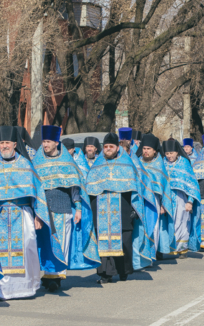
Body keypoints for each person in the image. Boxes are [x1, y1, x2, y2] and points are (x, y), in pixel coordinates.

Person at [0, 126, 53, 301]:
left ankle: (26, 289)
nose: (4, 146)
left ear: (15, 144)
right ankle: (3, 291)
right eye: (2, 143)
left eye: (7, 143)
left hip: (23, 214)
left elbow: (37, 192)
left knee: (27, 248)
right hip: (0, 214)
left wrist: (38, 215)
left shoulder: (26, 165)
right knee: (1, 251)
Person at [33, 125, 100, 292]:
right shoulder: (37, 160)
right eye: (43, 141)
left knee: (62, 243)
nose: (45, 144)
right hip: (43, 209)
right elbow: (33, 187)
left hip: (63, 208)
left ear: (56, 142)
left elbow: (74, 187)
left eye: (48, 141)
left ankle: (56, 278)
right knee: (46, 243)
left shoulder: (67, 160)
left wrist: (78, 208)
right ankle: (48, 274)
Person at [86, 132, 155, 283]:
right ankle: (105, 273)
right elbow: (90, 189)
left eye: (111, 146)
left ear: (117, 148)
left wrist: (134, 210)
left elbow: (135, 189)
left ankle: (123, 271)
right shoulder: (97, 166)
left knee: (124, 242)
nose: (108, 149)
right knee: (102, 241)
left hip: (123, 211)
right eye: (106, 147)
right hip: (101, 211)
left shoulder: (127, 164)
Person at [136, 133, 174, 258]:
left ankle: (151, 255)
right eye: (144, 149)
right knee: (139, 227)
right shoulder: (136, 163)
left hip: (154, 201)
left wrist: (164, 204)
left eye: (148, 149)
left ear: (154, 151)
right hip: (139, 200)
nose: (146, 152)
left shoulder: (159, 165)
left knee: (154, 226)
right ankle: (139, 255)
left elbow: (165, 187)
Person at [162, 140, 201, 257]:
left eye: (171, 153)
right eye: (167, 153)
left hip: (180, 198)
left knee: (181, 222)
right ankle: (168, 247)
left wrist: (190, 201)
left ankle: (181, 248)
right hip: (166, 197)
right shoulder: (162, 163)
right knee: (168, 223)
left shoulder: (184, 163)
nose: (169, 156)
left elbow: (192, 185)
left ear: (177, 152)